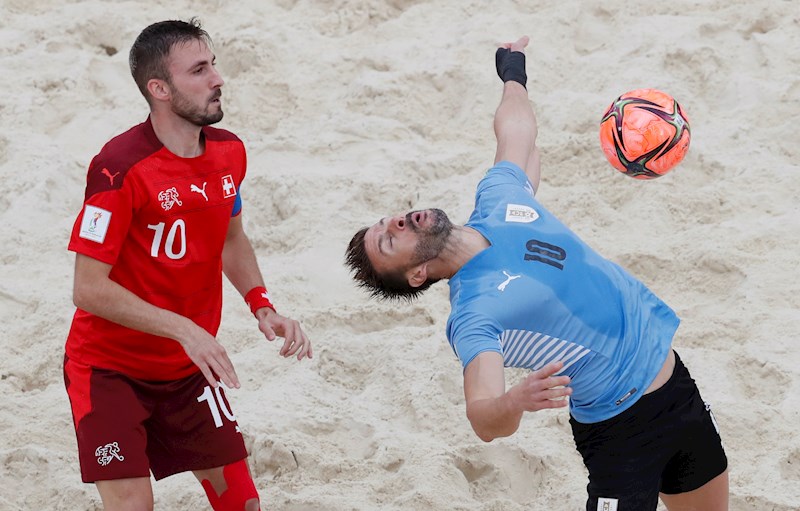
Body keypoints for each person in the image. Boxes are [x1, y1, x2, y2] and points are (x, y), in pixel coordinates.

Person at [345, 36, 728, 511]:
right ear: (417, 274)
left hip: (675, 383)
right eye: (389, 240)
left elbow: (517, 134)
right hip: (619, 431)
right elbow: (483, 418)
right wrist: (516, 399)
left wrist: (513, 75)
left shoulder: (500, 197)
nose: (398, 221)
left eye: (390, 219)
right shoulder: (474, 314)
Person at [63, 18, 312, 511]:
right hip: (109, 370)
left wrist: (261, 304)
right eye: (199, 70)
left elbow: (230, 238)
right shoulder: (118, 168)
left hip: (187, 371)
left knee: (243, 505)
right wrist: (185, 328)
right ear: (159, 88)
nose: (218, 78)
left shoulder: (230, 152)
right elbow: (87, 289)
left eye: (213, 64)